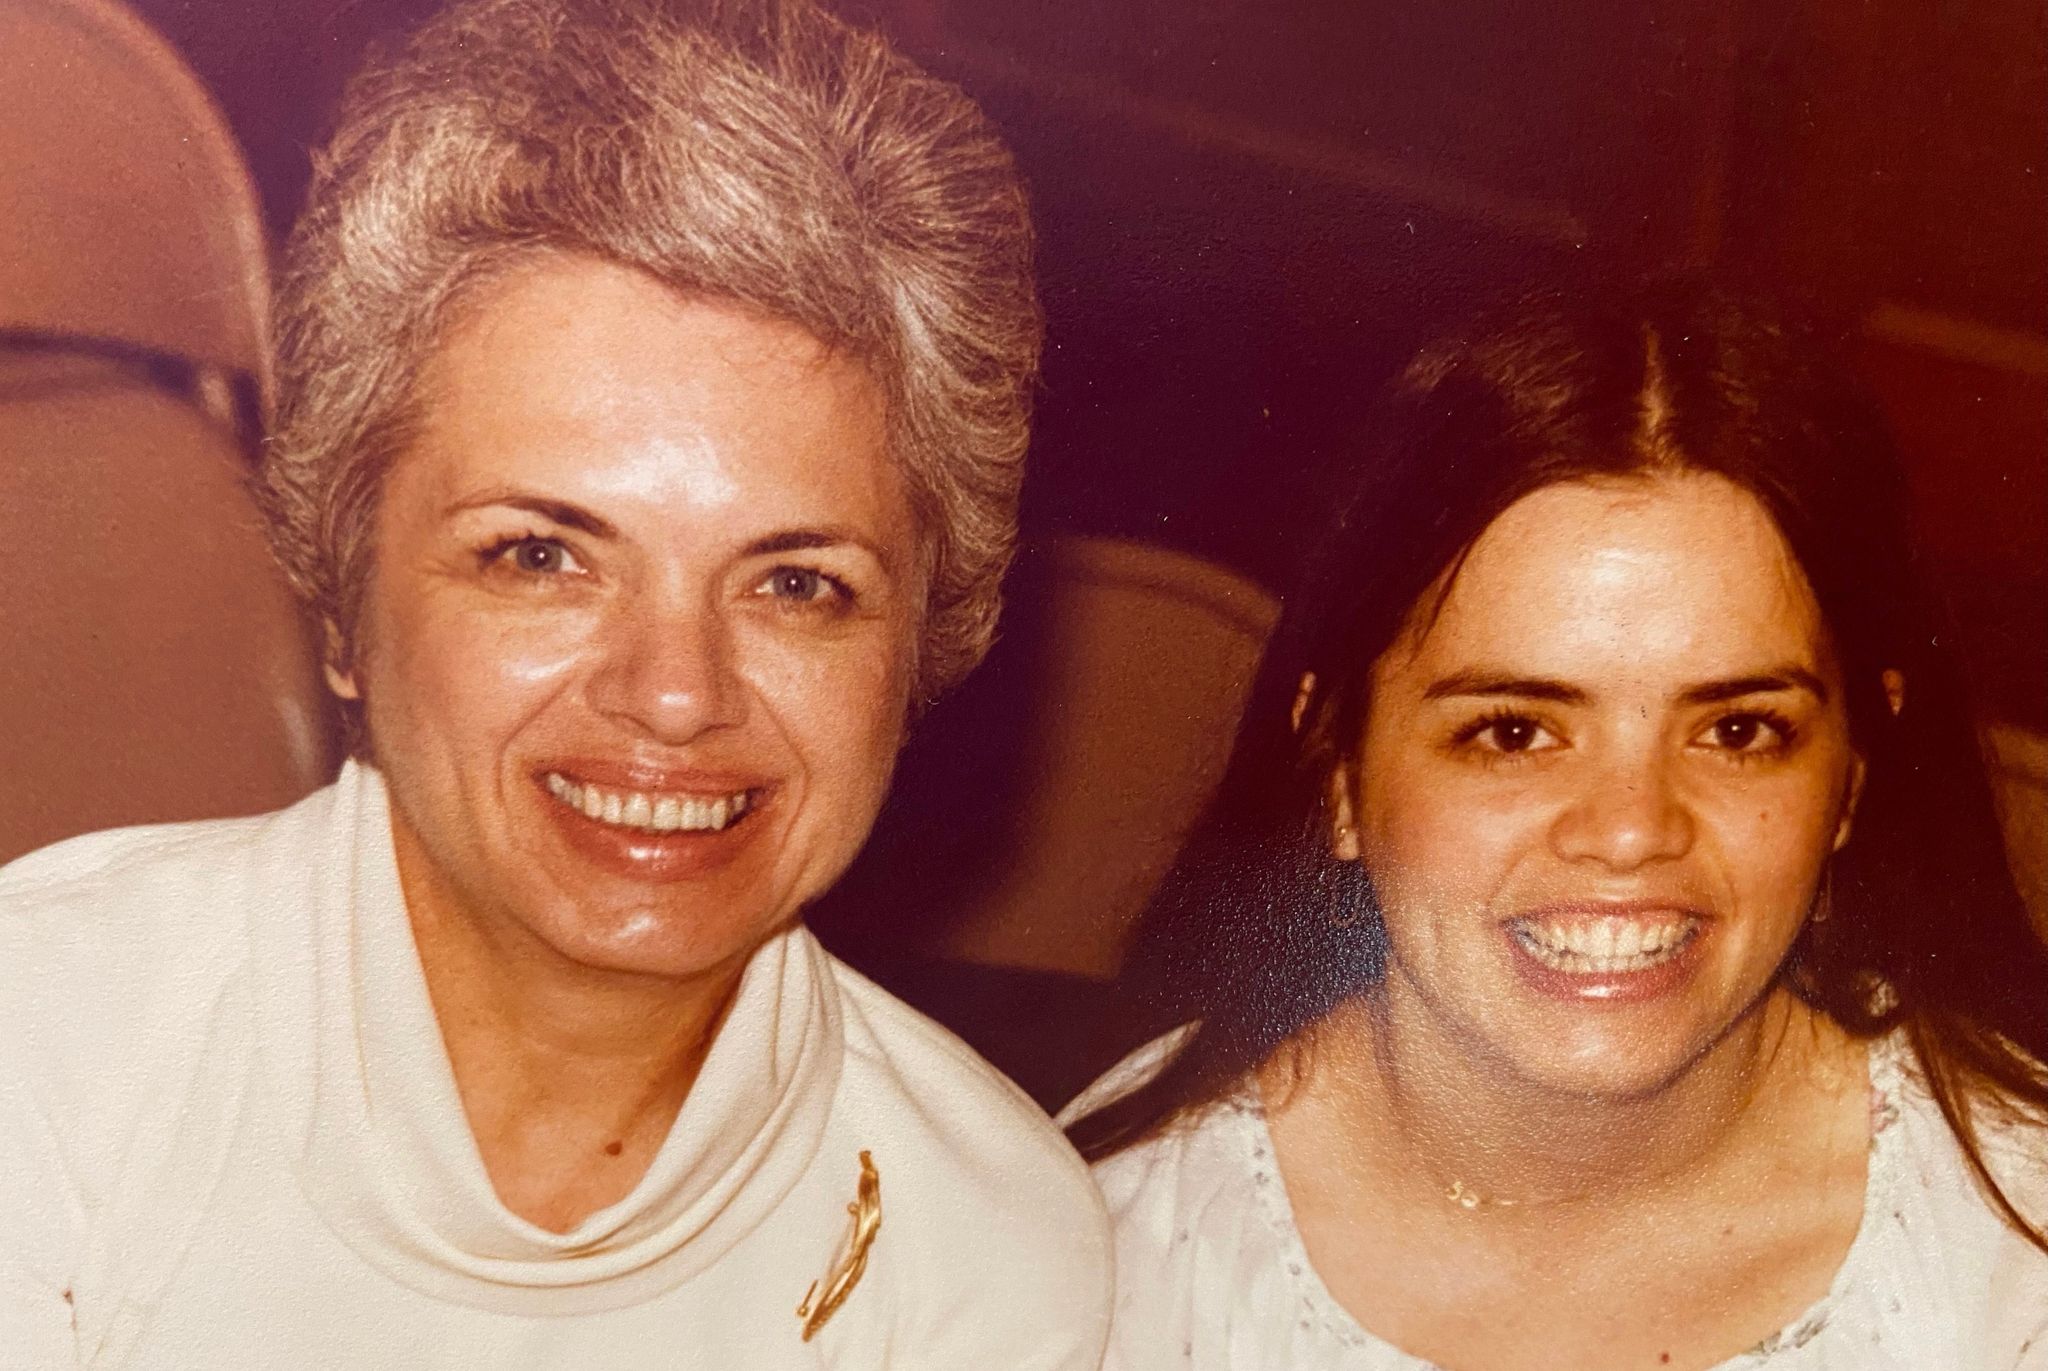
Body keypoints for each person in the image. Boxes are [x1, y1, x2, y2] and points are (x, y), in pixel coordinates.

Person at [0, 0, 1112, 1364]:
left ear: (916, 648)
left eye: (796, 583)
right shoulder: (46, 1043)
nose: (675, 694)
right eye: (540, 555)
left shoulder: (983, 1247)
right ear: (344, 603)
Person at [1065, 283, 2048, 1370]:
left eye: (1735, 730)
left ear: (1853, 774)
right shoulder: (1107, 1251)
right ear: (1336, 768)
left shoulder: (2013, 1260)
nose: (1629, 832)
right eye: (1513, 732)